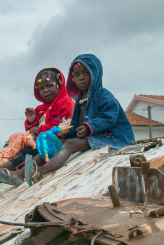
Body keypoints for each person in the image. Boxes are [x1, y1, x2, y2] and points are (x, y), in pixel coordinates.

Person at [22, 53, 134, 184]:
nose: (81, 78)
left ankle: (41, 172)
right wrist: (62, 132)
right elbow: (75, 125)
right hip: (89, 137)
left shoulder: (103, 95)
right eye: (77, 75)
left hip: (108, 137)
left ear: (95, 74)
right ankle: (22, 173)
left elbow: (109, 117)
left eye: (85, 74)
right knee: (53, 142)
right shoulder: (79, 99)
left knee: (70, 144)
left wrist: (89, 127)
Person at [0, 68, 73, 188]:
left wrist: (40, 130)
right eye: (41, 88)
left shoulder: (65, 102)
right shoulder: (41, 108)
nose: (45, 91)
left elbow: (64, 125)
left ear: (60, 84)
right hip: (38, 142)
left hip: (53, 142)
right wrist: (32, 120)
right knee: (20, 153)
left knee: (26, 154)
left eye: (49, 85)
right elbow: (32, 129)